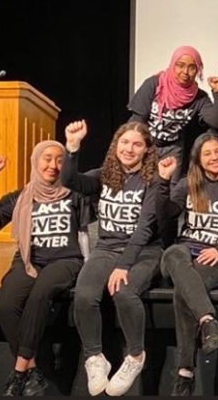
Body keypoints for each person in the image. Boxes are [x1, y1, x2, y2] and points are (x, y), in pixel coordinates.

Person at [61, 120, 162, 397]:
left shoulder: (152, 182)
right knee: (83, 296)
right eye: (125, 142)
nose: (129, 149)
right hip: (106, 247)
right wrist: (72, 148)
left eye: (137, 144)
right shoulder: (105, 175)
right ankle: (95, 357)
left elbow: (144, 229)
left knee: (123, 292)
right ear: (116, 145)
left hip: (143, 251)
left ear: (146, 150)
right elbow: (70, 181)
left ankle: (135, 356)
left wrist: (124, 265)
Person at [156, 133, 218, 395]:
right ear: (198, 160)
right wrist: (164, 182)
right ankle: (208, 320)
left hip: (215, 258)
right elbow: (165, 217)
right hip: (182, 255)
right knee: (174, 254)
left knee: (183, 290)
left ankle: (184, 372)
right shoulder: (188, 185)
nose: (214, 157)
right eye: (208, 153)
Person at [0, 146, 90, 396]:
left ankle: (19, 370)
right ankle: (32, 370)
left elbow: (83, 233)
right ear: (36, 161)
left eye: (59, 160)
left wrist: (88, 267)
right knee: (7, 302)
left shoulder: (74, 193)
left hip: (65, 260)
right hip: (28, 259)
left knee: (39, 294)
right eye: (47, 159)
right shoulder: (23, 195)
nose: (53, 165)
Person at [128, 45, 218, 182]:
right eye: (180, 65)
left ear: (198, 70)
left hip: (173, 149)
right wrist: (137, 149)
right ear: (173, 65)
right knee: (141, 184)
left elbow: (215, 121)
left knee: (170, 190)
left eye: (192, 68)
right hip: (146, 144)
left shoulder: (199, 97)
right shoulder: (155, 84)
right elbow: (137, 121)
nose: (185, 72)